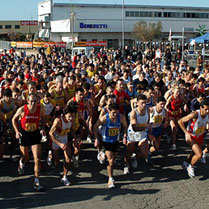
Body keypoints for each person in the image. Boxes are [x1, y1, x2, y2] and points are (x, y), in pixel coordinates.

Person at [12, 93, 46, 191]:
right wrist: (17, 132)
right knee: (26, 158)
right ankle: (21, 162)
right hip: (24, 134)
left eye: (35, 101)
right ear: (27, 101)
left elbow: (43, 118)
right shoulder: (22, 109)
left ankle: (36, 181)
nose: (33, 103)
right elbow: (14, 119)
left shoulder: (41, 109)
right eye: (31, 101)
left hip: (35, 133)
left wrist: (42, 128)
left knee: (37, 159)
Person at [94, 103, 127, 188]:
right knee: (111, 161)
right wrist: (96, 139)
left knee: (113, 160)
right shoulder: (104, 118)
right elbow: (95, 127)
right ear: (108, 111)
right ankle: (110, 179)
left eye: (117, 112)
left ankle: (102, 154)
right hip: (106, 141)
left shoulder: (122, 117)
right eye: (113, 113)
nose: (115, 115)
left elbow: (125, 127)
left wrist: (124, 136)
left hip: (115, 141)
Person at [178, 99, 209, 178]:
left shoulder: (208, 114)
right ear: (201, 108)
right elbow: (180, 121)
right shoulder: (195, 114)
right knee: (199, 154)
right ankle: (190, 166)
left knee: (195, 152)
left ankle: (186, 163)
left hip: (200, 135)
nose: (208, 111)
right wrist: (186, 132)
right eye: (206, 109)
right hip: (191, 136)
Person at [124, 94, 152, 174]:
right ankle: (126, 165)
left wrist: (149, 126)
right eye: (142, 103)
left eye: (145, 103)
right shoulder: (133, 112)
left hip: (142, 133)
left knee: (145, 153)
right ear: (137, 103)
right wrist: (146, 127)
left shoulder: (148, 111)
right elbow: (135, 128)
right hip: (133, 134)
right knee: (129, 152)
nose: (144, 105)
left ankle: (135, 156)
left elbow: (148, 122)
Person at [49, 105, 77, 186]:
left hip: (64, 140)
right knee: (56, 162)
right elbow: (50, 134)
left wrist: (76, 138)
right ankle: (50, 154)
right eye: (69, 116)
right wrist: (59, 144)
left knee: (68, 160)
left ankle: (64, 177)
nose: (71, 118)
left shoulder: (72, 120)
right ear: (64, 115)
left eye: (72, 116)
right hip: (56, 141)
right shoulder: (58, 121)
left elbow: (72, 130)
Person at [148, 96, 168, 162]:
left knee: (157, 146)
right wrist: (148, 125)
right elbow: (144, 117)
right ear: (156, 103)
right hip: (151, 130)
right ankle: (146, 154)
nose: (162, 106)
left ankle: (148, 152)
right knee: (156, 146)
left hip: (158, 128)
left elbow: (166, 120)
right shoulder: (151, 110)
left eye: (164, 104)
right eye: (161, 104)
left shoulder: (165, 111)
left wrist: (165, 123)